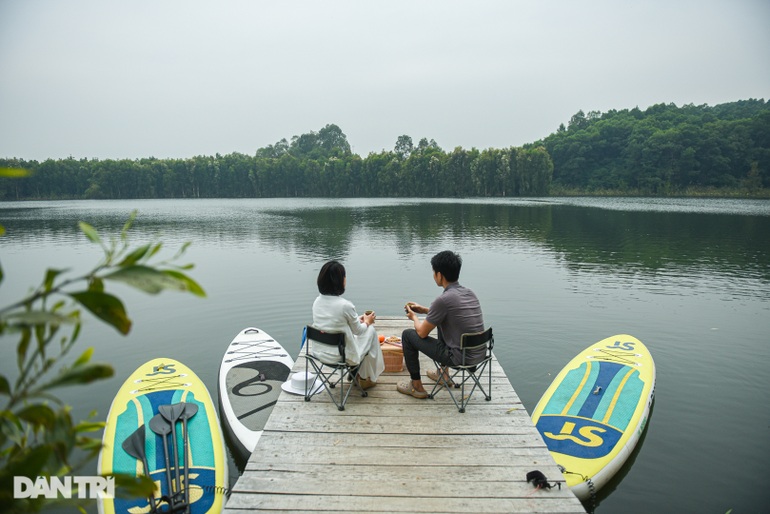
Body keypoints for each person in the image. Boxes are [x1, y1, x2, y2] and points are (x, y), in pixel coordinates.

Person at [397, 250, 484, 399]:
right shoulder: (470, 293)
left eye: (434, 272)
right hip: (479, 355)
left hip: (459, 359)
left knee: (407, 335)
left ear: (440, 275)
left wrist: (414, 317)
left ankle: (416, 386)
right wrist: (425, 310)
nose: (433, 276)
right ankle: (443, 375)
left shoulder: (443, 300)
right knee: (441, 322)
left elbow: (421, 333)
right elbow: (452, 315)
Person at [312, 260, 384, 389]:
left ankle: (356, 373)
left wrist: (357, 319)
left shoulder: (317, 302)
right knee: (370, 331)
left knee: (362, 335)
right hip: (342, 357)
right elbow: (359, 331)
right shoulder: (345, 305)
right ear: (340, 281)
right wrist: (367, 322)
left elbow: (334, 323)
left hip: (320, 353)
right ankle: (364, 377)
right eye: (344, 277)